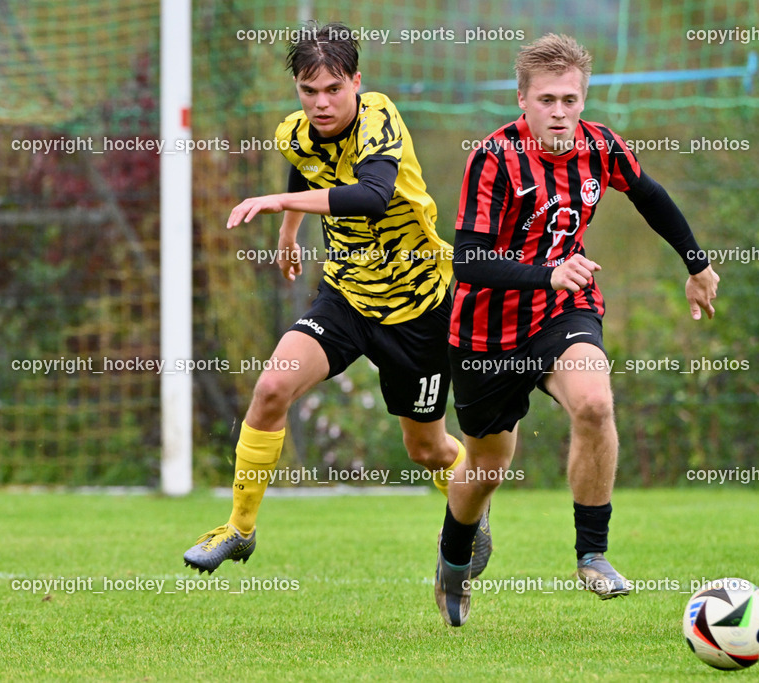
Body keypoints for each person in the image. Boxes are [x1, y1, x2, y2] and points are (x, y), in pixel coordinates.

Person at [183, 20, 491, 575]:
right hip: (346, 297)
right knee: (273, 386)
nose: (321, 103)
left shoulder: (379, 119)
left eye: (333, 89)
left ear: (355, 81)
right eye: (308, 91)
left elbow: (371, 196)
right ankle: (239, 529)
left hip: (418, 304)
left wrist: (277, 204)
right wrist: (287, 235)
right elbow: (304, 170)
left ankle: (470, 509)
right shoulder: (294, 132)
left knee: (426, 449)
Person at [433, 33, 719, 626]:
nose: (558, 112)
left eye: (569, 99)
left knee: (593, 403)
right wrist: (547, 272)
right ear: (523, 100)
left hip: (564, 310)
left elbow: (651, 196)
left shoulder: (601, 147)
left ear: (583, 100)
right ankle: (453, 561)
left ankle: (592, 553)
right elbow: (468, 261)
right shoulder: (492, 157)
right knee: (486, 468)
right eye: (546, 100)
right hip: (486, 332)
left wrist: (696, 264)